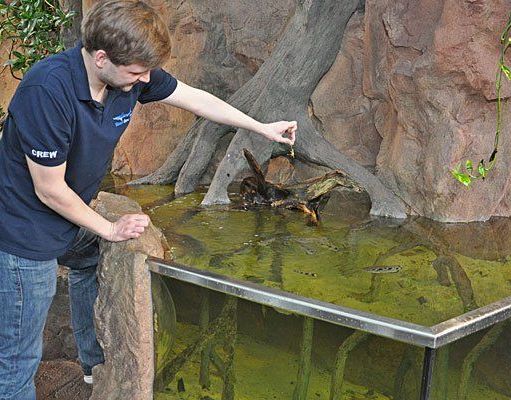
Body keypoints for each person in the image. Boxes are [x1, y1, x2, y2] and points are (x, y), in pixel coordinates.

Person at [0, 0, 297, 398]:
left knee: (89, 259)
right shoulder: (47, 90)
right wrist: (110, 227)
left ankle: (92, 365)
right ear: (101, 58)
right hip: (24, 231)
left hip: (71, 218)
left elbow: (195, 99)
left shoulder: (127, 75)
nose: (144, 82)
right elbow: (49, 189)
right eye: (137, 73)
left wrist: (260, 127)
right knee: (17, 360)